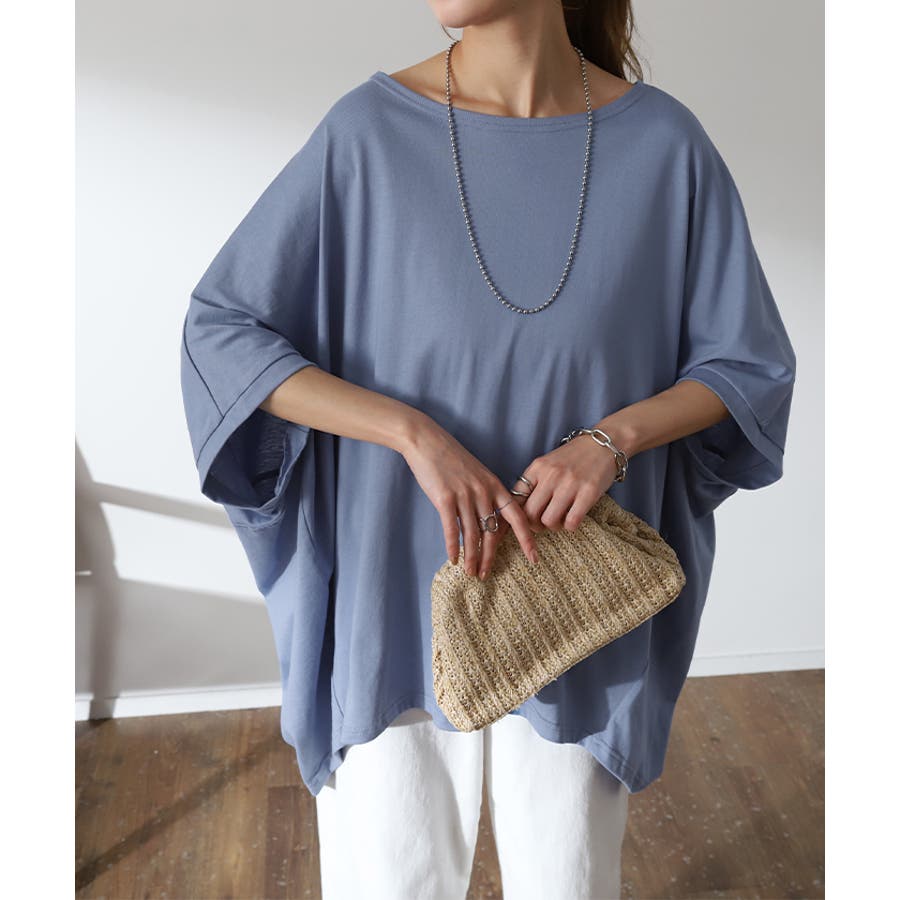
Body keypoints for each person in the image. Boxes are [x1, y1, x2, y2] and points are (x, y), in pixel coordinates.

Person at [179, 2, 797, 898]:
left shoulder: (664, 145)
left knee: (568, 879)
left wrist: (611, 441)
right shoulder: (370, 132)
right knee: (392, 879)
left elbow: (747, 365)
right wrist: (411, 433)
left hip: (578, 587)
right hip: (396, 586)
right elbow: (225, 331)